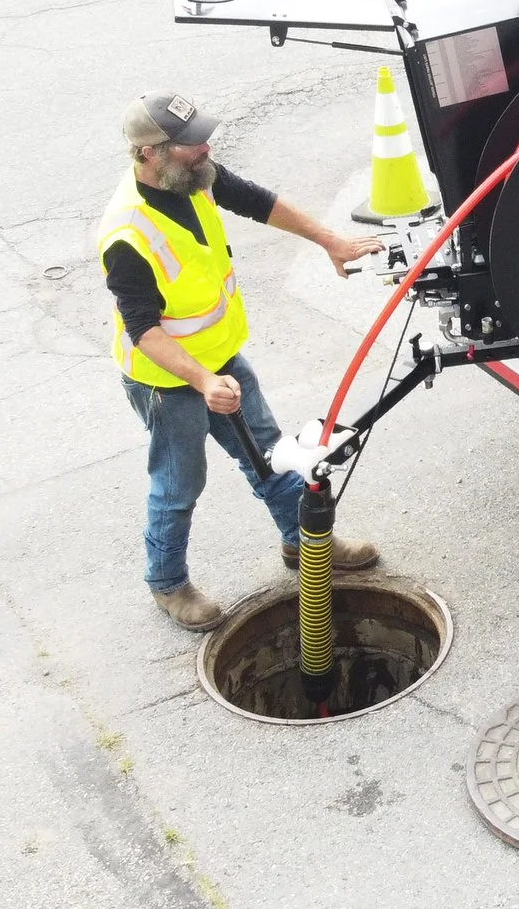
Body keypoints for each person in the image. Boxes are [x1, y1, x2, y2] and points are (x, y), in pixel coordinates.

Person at [99, 91, 386, 631]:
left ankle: (304, 544)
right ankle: (168, 584)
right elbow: (144, 332)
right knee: (179, 484)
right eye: (190, 144)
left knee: (270, 454)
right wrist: (205, 381)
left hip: (221, 359)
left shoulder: (196, 176)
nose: (205, 148)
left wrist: (331, 241)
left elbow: (258, 200)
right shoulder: (127, 234)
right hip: (168, 381)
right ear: (149, 154)